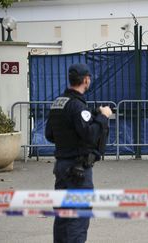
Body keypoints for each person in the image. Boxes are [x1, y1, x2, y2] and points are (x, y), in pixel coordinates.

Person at [45, 63, 112, 243]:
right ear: (86, 80)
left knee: (62, 216)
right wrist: (103, 117)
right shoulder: (77, 106)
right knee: (78, 218)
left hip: (62, 166)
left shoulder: (58, 102)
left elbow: (49, 134)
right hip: (78, 170)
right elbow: (90, 135)